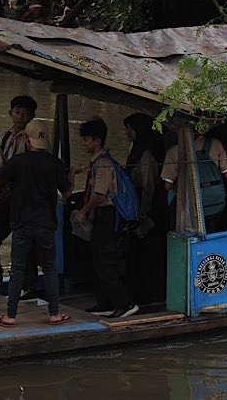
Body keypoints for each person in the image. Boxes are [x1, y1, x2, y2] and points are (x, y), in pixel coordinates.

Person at [0, 119, 73, 327]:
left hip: (22, 222)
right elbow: (67, 192)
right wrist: (72, 173)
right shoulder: (54, 163)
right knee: (49, 268)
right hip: (46, 223)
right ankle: (54, 314)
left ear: (27, 141)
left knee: (18, 269)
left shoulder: (18, 162)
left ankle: (10, 315)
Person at [71, 117, 139, 319]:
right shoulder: (97, 163)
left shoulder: (103, 164)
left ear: (97, 141)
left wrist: (83, 211)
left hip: (108, 217)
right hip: (102, 216)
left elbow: (100, 196)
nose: (84, 144)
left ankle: (124, 303)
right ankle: (106, 302)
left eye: (86, 140)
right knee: (98, 260)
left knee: (106, 260)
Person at [0, 95, 38, 285]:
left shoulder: (33, 140)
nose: (20, 117)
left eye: (25, 114)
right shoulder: (7, 137)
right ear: (10, 113)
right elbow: (1, 172)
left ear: (32, 117)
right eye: (17, 112)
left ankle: (28, 282)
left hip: (25, 195)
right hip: (7, 192)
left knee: (24, 239)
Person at [122, 113, 167, 305]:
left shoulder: (146, 155)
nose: (127, 133)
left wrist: (143, 214)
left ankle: (151, 295)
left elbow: (149, 187)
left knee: (148, 255)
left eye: (130, 129)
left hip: (148, 213)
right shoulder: (135, 150)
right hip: (137, 209)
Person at [160, 130, 227, 231]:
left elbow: (167, 185)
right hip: (215, 204)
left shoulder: (174, 151)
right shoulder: (216, 143)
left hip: (188, 208)